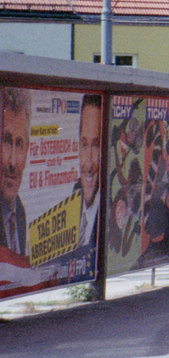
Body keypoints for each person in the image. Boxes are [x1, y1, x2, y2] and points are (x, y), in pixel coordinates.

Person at [0, 87, 31, 260]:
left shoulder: (19, 212)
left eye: (18, 144)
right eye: (6, 141)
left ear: (27, 151)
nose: (12, 162)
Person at [73, 94, 102, 249]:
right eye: (85, 145)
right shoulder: (74, 197)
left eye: (96, 145)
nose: (89, 164)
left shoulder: (109, 208)